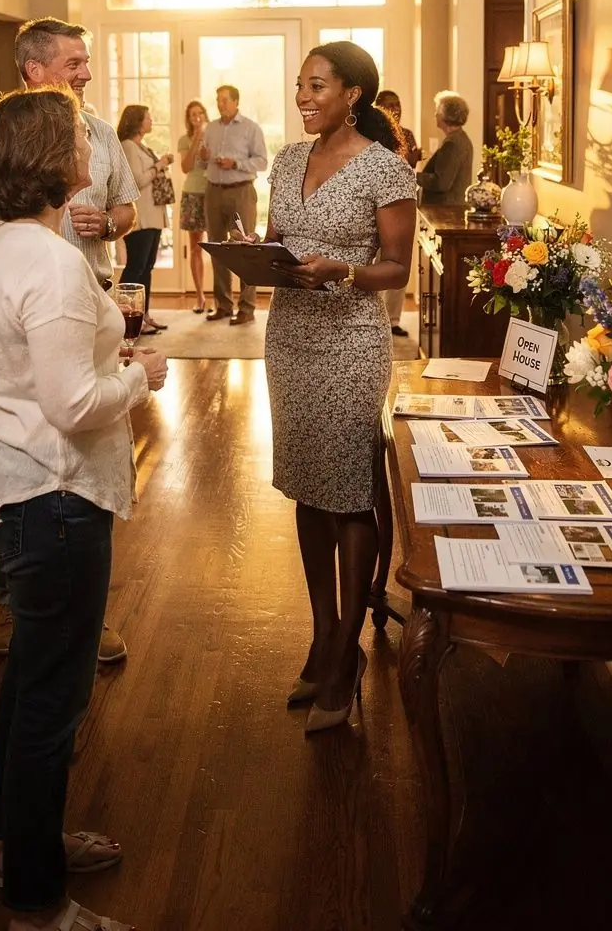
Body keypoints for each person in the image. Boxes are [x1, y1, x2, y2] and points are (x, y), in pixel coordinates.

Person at [0, 87, 165, 931]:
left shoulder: (7, 241)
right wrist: (140, 377)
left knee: (31, 684)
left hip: (10, 481)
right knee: (53, 700)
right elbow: (74, 404)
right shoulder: (46, 260)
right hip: (50, 495)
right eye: (80, 136)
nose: (92, 145)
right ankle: (38, 905)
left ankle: (23, 844)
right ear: (54, 156)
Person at [0, 18, 139, 664]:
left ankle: (66, 609)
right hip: (27, 306)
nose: (86, 73)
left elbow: (127, 209)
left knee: (52, 463)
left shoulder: (101, 133)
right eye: (73, 62)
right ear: (35, 70)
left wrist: (106, 222)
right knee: (40, 452)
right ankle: (27, 609)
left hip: (83, 303)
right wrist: (140, 378)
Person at [260, 42, 416, 733]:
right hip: (289, 338)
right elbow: (274, 239)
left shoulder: (386, 169)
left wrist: (342, 271)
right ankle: (323, 634)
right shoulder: (286, 160)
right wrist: (256, 255)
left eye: (317, 85)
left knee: (350, 490)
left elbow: (397, 268)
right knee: (306, 484)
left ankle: (347, 650)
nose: (303, 96)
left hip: (350, 342)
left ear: (353, 94)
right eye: (300, 85)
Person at [202, 85, 268, 325]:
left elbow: (262, 161)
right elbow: (203, 162)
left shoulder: (251, 128)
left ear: (235, 102)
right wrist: (203, 158)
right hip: (213, 191)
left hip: (241, 192)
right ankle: (223, 305)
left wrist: (236, 163)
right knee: (217, 248)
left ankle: (247, 308)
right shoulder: (210, 128)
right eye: (217, 100)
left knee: (245, 249)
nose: (220, 104)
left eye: (224, 100)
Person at [117, 104, 173, 335]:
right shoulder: (128, 147)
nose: (151, 121)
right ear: (137, 122)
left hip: (153, 216)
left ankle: (143, 315)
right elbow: (136, 181)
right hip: (140, 217)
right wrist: (159, 165)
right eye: (148, 118)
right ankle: (125, 320)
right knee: (136, 267)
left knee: (147, 267)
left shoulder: (142, 147)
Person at [375, 89, 421, 338]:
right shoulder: (371, 132)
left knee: (398, 262)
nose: (396, 109)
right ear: (378, 107)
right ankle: (375, 316)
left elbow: (409, 164)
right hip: (375, 204)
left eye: (398, 104)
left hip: (401, 203)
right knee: (375, 262)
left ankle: (393, 319)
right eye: (390, 105)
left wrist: (413, 158)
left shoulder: (407, 134)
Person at [177, 99, 209, 314]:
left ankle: (222, 299)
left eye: (200, 113)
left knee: (218, 244)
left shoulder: (215, 135)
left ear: (205, 115)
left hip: (213, 193)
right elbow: (186, 167)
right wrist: (197, 137)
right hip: (192, 195)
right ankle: (200, 296)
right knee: (196, 247)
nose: (197, 117)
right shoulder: (184, 139)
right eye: (192, 115)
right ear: (188, 119)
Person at [416, 91, 473, 206]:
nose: (435, 115)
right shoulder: (461, 138)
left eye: (437, 111)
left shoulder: (452, 143)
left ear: (445, 115)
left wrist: (415, 177)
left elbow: (441, 183)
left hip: (446, 210)